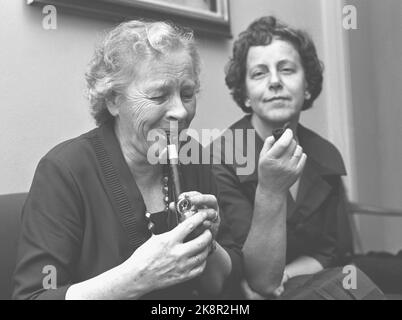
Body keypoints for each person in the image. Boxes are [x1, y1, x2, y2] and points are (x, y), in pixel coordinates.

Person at [12, 20, 242, 300]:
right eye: (159, 95)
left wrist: (208, 244)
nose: (180, 112)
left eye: (187, 94)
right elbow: (34, 296)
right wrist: (134, 279)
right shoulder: (64, 171)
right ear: (112, 100)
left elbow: (221, 287)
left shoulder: (192, 156)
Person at [212, 16, 357, 299]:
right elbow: (248, 275)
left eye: (287, 69)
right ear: (244, 95)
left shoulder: (326, 155)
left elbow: (331, 251)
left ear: (307, 87)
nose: (275, 82)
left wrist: (287, 277)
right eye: (259, 73)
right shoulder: (222, 156)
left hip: (311, 286)